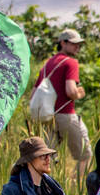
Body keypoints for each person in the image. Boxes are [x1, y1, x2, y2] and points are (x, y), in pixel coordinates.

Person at [38, 28, 91, 181]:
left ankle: (46, 188)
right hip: (66, 114)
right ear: (63, 43)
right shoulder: (70, 63)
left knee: (47, 158)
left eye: (79, 44)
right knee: (85, 156)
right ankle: (75, 188)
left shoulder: (47, 64)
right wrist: (80, 93)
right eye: (74, 44)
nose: (77, 47)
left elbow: (35, 90)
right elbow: (70, 91)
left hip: (47, 116)